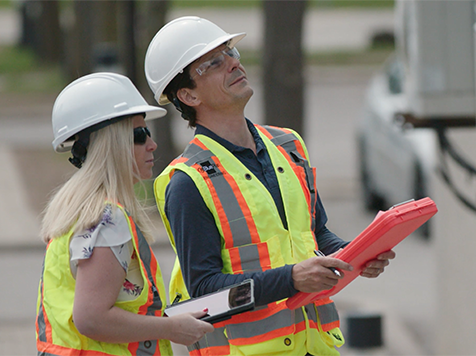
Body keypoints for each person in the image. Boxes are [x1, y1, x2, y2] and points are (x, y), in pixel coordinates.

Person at [143, 17, 395, 356]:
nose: (234, 62)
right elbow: (205, 292)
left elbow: (316, 235)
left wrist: (357, 255)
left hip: (316, 346)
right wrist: (291, 279)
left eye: (230, 51)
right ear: (187, 94)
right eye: (214, 62)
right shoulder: (188, 182)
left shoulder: (288, 145)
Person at [35, 72, 214, 355]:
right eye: (139, 136)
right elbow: (91, 318)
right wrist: (171, 328)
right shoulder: (107, 218)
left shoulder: (82, 208)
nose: (152, 145)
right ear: (111, 144)